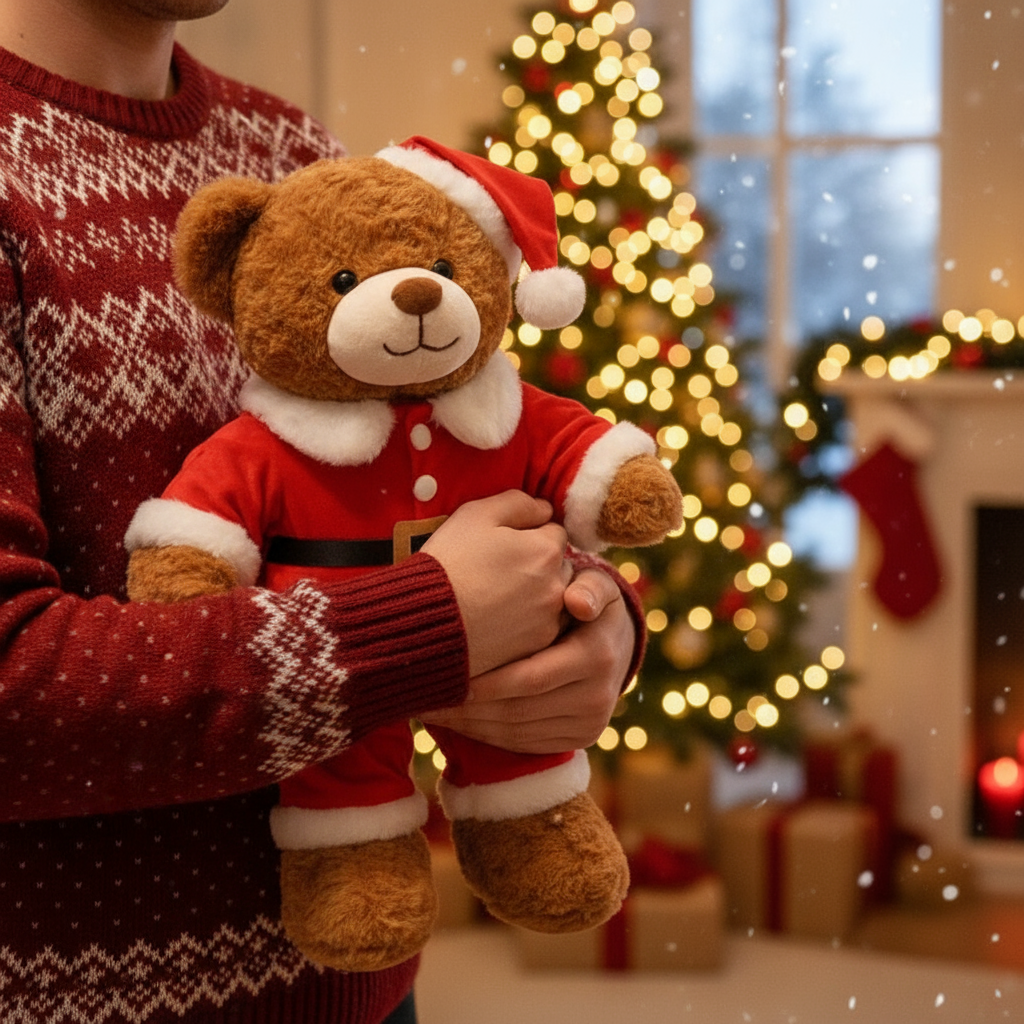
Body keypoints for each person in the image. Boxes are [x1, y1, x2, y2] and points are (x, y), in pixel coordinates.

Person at [0, 2, 644, 1022]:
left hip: (360, 987)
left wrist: (594, 615)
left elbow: (451, 461)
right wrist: (431, 626)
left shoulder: (287, 148)